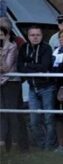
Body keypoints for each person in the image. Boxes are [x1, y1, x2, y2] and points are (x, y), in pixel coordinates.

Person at [18, 25, 57, 150]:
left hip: (47, 87)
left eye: (37, 35)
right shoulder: (24, 48)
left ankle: (49, 147)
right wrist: (33, 66)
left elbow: (44, 66)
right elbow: (20, 67)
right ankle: (41, 145)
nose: (35, 37)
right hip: (32, 88)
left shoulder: (46, 48)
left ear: (42, 36)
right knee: (34, 120)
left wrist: (27, 65)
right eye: (32, 35)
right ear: (28, 36)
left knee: (49, 119)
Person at [1, 23, 26, 152]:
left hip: (11, 83)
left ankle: (15, 144)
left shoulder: (12, 46)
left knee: (11, 113)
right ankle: (2, 144)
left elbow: (6, 67)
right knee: (1, 114)